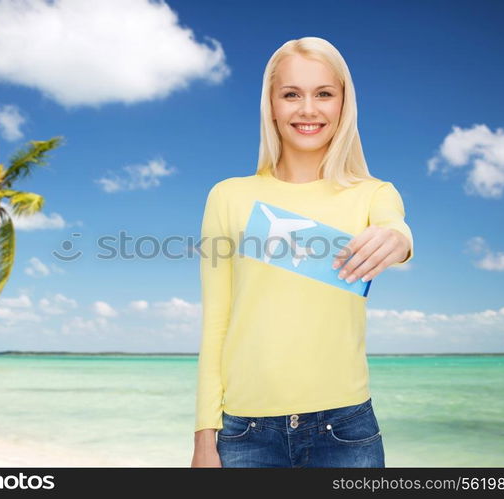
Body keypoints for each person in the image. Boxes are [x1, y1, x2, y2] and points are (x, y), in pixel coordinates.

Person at [190, 37, 414, 468]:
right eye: (291, 94)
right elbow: (215, 323)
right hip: (244, 435)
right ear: (271, 105)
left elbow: (394, 226)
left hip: (345, 432)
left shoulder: (372, 195)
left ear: (343, 105)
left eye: (324, 94)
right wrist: (204, 439)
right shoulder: (229, 197)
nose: (308, 109)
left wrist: (398, 239)